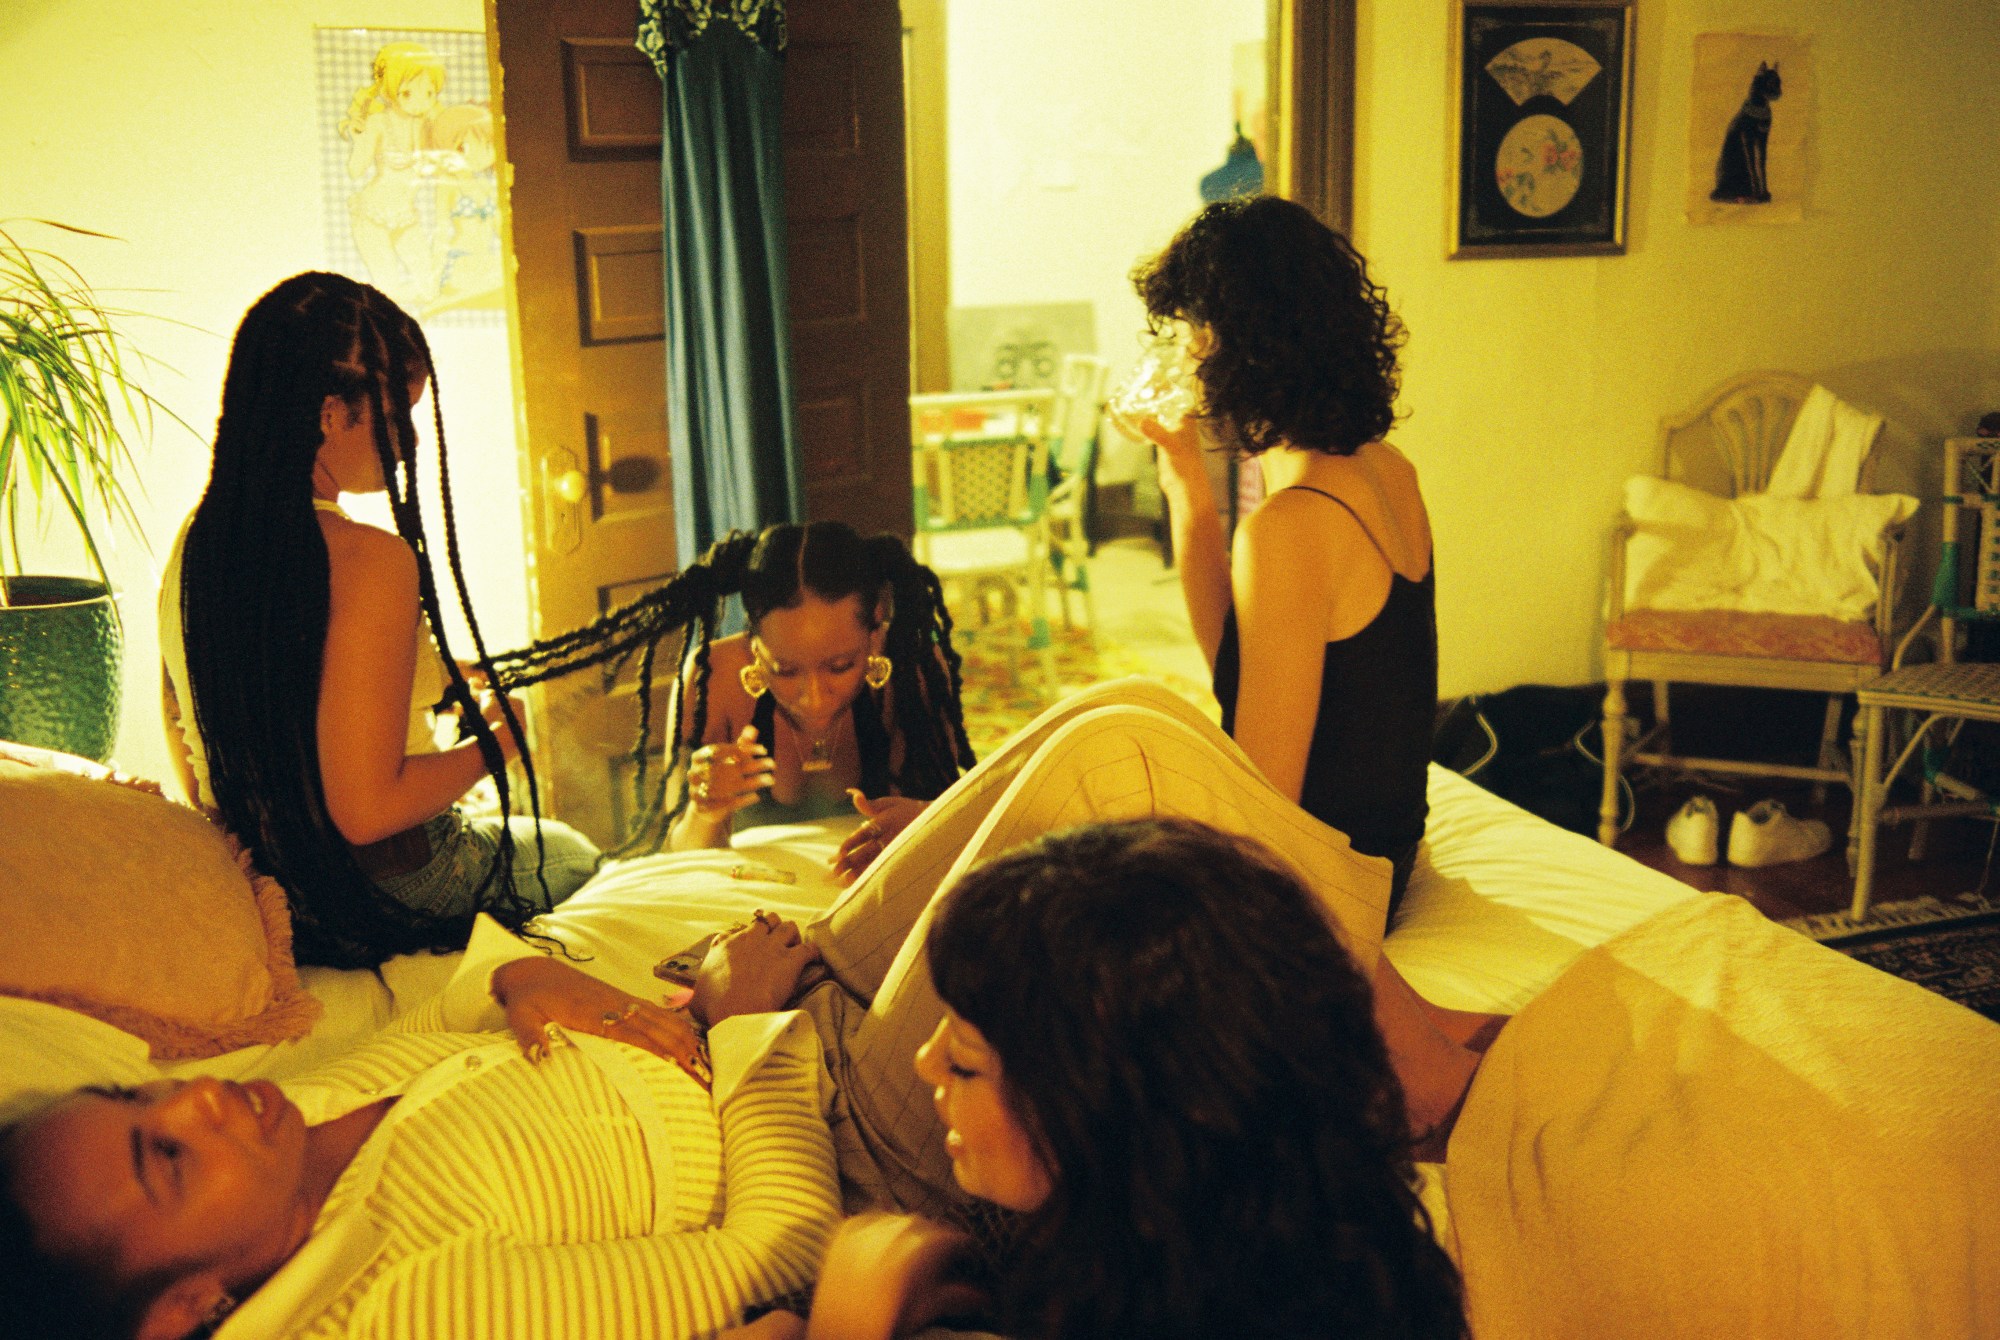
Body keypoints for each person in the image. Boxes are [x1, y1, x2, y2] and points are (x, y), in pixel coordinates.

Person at [0, 681, 1468, 1340]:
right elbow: (774, 1250)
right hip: (846, 1138)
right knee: (1122, 781)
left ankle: (1386, 1035)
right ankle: (1399, 1073)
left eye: (140, 1100)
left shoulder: (299, 1114)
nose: (194, 1102)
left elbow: (464, 994)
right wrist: (742, 1030)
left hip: (743, 1011)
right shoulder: (403, 1301)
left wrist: (535, 974)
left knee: (1114, 718)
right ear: (187, 1308)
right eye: (162, 1161)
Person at [161, 273, 600, 970]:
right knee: (576, 852)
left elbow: (204, 726)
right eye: (398, 414)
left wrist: (427, 675)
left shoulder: (200, 543)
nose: (410, 441)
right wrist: (496, 745)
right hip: (382, 886)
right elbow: (364, 811)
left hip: (277, 885)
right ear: (332, 413)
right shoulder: (373, 561)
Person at [1122, 194, 1435, 918]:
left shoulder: (1293, 526)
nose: (1184, 359)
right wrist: (1184, 476)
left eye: (1190, 336)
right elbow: (1241, 671)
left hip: (1330, 888)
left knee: (1082, 797)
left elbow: (1267, 806)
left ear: (1241, 345)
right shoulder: (1388, 468)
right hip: (1384, 857)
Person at [485, 520, 974, 880]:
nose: (813, 694)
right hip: (754, 902)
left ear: (875, 630)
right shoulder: (714, 676)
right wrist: (705, 809)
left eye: (840, 666)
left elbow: (969, 823)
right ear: (753, 642)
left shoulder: (914, 667)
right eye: (784, 669)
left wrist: (924, 821)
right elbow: (684, 854)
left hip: (882, 888)